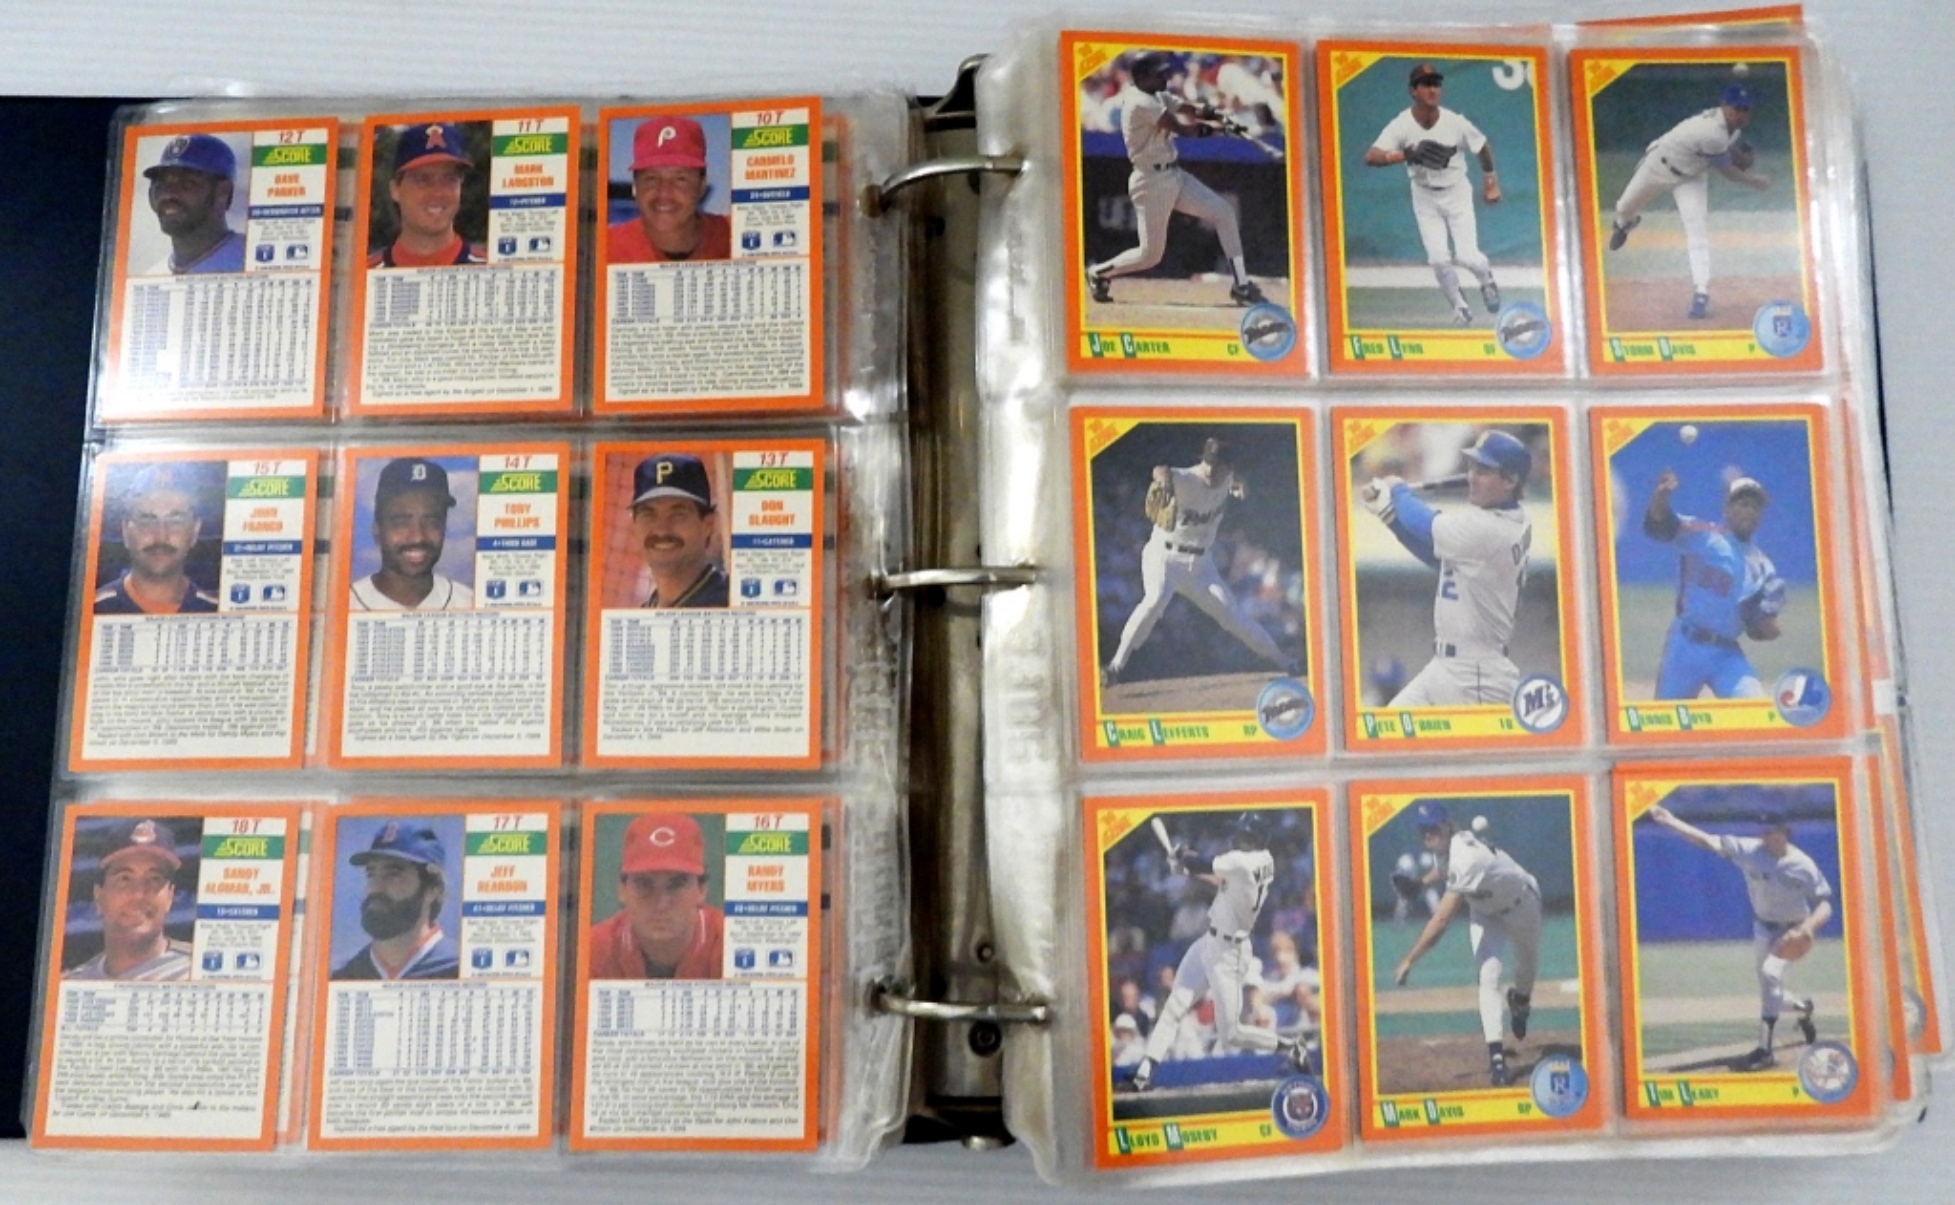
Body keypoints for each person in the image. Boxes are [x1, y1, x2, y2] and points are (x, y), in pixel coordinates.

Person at [1127, 812, 1314, 1090]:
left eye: (1243, 834)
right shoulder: (1263, 861)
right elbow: (1219, 879)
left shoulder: (1242, 861)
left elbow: (1202, 863)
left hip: (1230, 953)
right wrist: (1186, 867)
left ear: (1254, 838)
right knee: (1174, 1006)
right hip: (1209, 941)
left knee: (1231, 1034)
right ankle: (1144, 1074)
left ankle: (1291, 1046)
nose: (1237, 837)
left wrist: (1181, 857)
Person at [1100, 437, 1297, 687]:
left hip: (1201, 566)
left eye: (1218, 465)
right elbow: (1161, 470)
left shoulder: (1227, 479)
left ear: (1228, 467)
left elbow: (1235, 479)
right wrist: (1164, 481)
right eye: (1208, 463)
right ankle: (1115, 667)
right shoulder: (1187, 478)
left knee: (1233, 616)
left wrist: (1239, 482)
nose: (1210, 470)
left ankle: (1285, 661)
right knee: (1155, 600)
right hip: (1164, 557)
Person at [1644, 804, 1829, 1071]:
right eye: (1762, 830)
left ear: (1784, 832)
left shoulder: (1802, 865)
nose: (1765, 835)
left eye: (1771, 831)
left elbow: (1825, 904)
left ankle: (1764, 1051)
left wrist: (1808, 928)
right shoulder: (1749, 850)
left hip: (1794, 932)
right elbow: (1705, 840)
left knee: (1770, 975)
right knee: (1770, 989)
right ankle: (1802, 1008)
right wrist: (1671, 821)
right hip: (1764, 928)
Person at [1360, 429, 1533, 706]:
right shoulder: (1499, 520)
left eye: (1484, 471)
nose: (1471, 477)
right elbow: (1436, 556)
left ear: (1510, 480)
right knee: (1387, 727)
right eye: (1472, 468)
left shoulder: (1494, 528)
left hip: (1476, 675)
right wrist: (1389, 516)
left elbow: (1425, 524)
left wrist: (1398, 490)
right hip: (1445, 666)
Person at [1085, 50, 1269, 307]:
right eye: (1158, 74)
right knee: (1150, 256)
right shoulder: (1140, 102)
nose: (1165, 77)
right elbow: (1183, 129)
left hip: (1173, 174)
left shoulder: (1156, 94)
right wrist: (1223, 128)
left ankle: (1241, 285)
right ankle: (1098, 272)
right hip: (1150, 181)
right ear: (1142, 77)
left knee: (1224, 213)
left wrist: (1218, 115)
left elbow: (1188, 108)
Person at [1391, 802, 1542, 1087]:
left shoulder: (1467, 857)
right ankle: (1497, 1061)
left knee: (1526, 968)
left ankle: (1520, 1000)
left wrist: (1410, 959)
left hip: (1522, 904)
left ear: (1447, 825)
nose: (1428, 835)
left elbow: (1441, 920)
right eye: (1423, 830)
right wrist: (1420, 885)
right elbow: (1442, 869)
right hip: (1485, 912)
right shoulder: (1447, 849)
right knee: (1488, 977)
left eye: (1433, 828)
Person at [1606, 83, 1772, 320]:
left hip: (1692, 177)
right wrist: (1754, 180)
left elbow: (1727, 152)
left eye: (1745, 109)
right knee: (1623, 206)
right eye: (1736, 108)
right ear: (1724, 106)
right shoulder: (1711, 130)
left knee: (1697, 231)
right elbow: (1729, 171)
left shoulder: (1729, 130)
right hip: (1659, 166)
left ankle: (1701, 292)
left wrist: (1743, 158)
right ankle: (1624, 224)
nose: (1741, 113)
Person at [1363, 64, 1503, 327]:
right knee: (1438, 259)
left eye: (1436, 84)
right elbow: (1371, 156)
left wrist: (1490, 183)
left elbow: (1482, 146)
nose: (1432, 90)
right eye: (1426, 84)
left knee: (1467, 255)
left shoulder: (1454, 122)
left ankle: (1486, 280)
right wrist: (1404, 154)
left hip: (1456, 191)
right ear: (1413, 91)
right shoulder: (1402, 124)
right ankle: (1460, 307)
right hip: (1424, 195)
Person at [1643, 473, 1782, 699]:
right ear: (1727, 509)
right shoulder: (1703, 537)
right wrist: (1661, 496)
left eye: (1755, 506)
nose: (1749, 511)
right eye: (1743, 504)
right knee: (1668, 718)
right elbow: (1660, 524)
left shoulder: (1764, 567)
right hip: (1686, 647)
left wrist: (1768, 623)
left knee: (1754, 708)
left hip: (1726, 655)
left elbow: (1760, 630)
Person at [586, 812, 725, 979]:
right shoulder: (593, 949)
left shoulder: (732, 944)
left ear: (702, 890)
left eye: (676, 885)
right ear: (622, 890)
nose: (661, 903)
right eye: (644, 884)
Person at [65, 819, 193, 981]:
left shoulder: (199, 970)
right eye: (124, 879)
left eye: (154, 879)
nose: (139, 893)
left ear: (170, 897)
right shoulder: (74, 983)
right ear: (99, 896)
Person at [331, 822, 460, 980]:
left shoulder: (460, 967)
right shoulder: (341, 974)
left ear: (433, 889)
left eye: (393, 874)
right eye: (371, 874)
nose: (376, 887)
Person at [607, 116, 732, 264]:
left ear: (701, 186)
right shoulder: (608, 247)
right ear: (635, 186)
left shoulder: (735, 234)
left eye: (680, 179)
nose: (664, 194)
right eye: (652, 179)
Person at [352, 458, 473, 610]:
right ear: (377, 530)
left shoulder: (470, 603)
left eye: (432, 521)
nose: (418, 537)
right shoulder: (346, 604)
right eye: (401, 522)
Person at [95, 466, 219, 615]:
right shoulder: (90, 609)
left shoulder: (219, 610)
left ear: (195, 531)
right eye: (147, 519)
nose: (161, 535)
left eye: (175, 520)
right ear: (126, 531)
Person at [368, 122, 487, 268]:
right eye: (422, 180)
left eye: (449, 179)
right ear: (395, 190)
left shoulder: (492, 270)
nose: (437, 192)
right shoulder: (366, 274)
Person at [629, 453, 730, 608]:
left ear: (708, 525)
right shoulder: (640, 616)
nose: (662, 529)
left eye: (678, 514)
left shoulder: (735, 603)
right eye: (648, 514)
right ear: (634, 525)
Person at [141, 133, 246, 276]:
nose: (168, 194)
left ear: (223, 192)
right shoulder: (150, 277)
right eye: (161, 184)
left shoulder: (253, 260)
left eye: (188, 183)